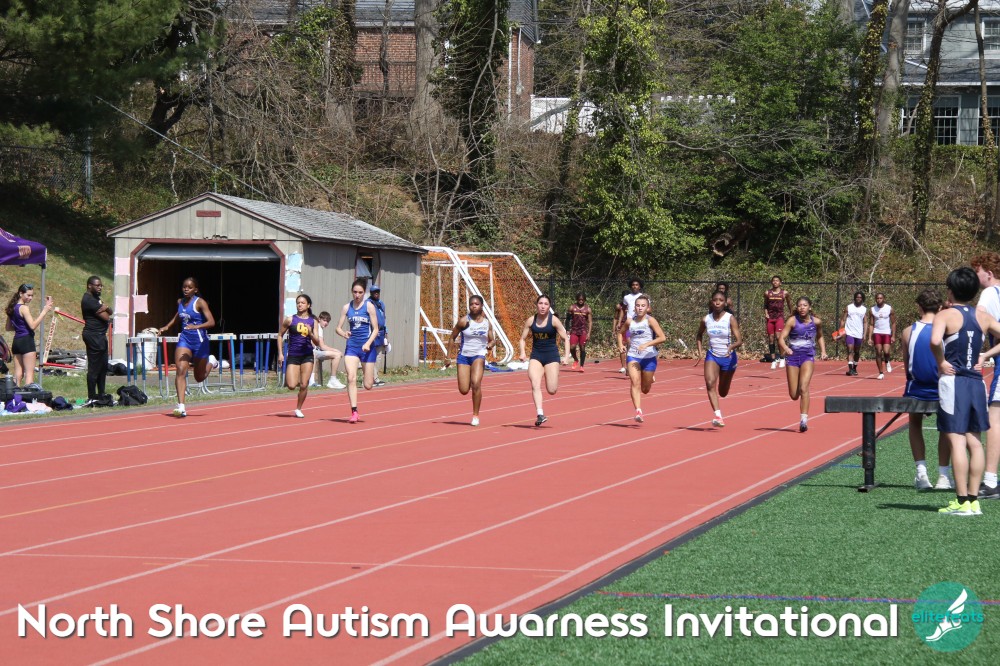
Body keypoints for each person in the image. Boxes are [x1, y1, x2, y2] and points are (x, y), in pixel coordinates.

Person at [931, 267, 1000, 516]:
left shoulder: (945, 315)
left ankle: (961, 501)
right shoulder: (983, 316)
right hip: (976, 383)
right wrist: (985, 354)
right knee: (975, 442)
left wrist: (941, 362)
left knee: (957, 439)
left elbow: (934, 341)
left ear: (950, 290)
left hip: (954, 382)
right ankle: (973, 501)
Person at [900, 288, 952, 490]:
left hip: (916, 388)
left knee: (914, 424)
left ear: (918, 307)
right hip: (942, 388)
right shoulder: (947, 330)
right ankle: (943, 476)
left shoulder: (908, 331)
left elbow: (907, 365)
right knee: (946, 428)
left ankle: (921, 473)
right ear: (940, 308)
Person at [157, 277, 216, 418]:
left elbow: (211, 322)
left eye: (189, 287)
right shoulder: (180, 302)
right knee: (180, 370)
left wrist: (196, 326)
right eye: (184, 287)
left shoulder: (200, 302)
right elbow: (179, 315)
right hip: (185, 340)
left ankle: (212, 362)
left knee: (199, 377)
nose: (186, 289)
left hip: (200, 342)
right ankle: (181, 406)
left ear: (195, 289)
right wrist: (167, 326)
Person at [277, 295, 341, 418]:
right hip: (294, 355)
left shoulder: (313, 321)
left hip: (307, 355)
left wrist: (310, 333)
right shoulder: (290, 320)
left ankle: (298, 408)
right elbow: (280, 335)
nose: (299, 305)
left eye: (302, 303)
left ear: (308, 305)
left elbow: (317, 342)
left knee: (304, 384)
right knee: (291, 385)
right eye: (298, 303)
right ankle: (297, 379)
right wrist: (280, 353)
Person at [972, 252, 1000, 500]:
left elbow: (978, 321)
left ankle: (990, 480)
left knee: (995, 419)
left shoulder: (990, 293)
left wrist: (981, 354)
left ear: (989, 274)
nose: (975, 276)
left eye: (977, 271)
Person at [518, 294, 571, 426]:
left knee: (552, 390)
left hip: (551, 356)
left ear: (549, 307)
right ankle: (540, 414)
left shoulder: (554, 321)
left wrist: (566, 357)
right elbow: (522, 339)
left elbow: (566, 338)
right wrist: (522, 353)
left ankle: (550, 373)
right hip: (536, 355)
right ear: (537, 305)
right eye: (540, 303)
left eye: (546, 304)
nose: (542, 306)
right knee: (535, 384)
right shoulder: (531, 320)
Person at [444, 294, 496, 426]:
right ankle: (468, 386)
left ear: (481, 306)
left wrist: (490, 345)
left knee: (476, 383)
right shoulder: (464, 321)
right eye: (471, 304)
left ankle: (475, 415)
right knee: (464, 390)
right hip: (464, 357)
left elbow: (492, 339)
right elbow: (452, 337)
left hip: (479, 355)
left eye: (476, 304)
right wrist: (448, 356)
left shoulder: (486, 323)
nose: (474, 306)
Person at [778, 296, 828, 432]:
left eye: (805, 305)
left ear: (809, 307)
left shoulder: (816, 322)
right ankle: (800, 399)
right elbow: (781, 338)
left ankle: (804, 420)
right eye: (799, 305)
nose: (802, 308)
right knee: (794, 395)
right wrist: (786, 348)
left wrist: (823, 351)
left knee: (804, 387)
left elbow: (820, 336)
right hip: (793, 358)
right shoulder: (792, 321)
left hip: (808, 356)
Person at [336, 278, 381, 423]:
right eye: (355, 292)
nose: (357, 295)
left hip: (367, 348)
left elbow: (376, 329)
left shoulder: (369, 307)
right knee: (351, 378)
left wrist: (368, 343)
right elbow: (338, 328)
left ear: (364, 293)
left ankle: (367, 374)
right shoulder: (346, 308)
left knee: (368, 385)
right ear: (351, 292)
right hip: (352, 347)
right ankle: (354, 412)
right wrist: (344, 333)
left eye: (360, 292)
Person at [697, 290, 743, 427]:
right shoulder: (706, 319)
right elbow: (699, 335)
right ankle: (718, 416)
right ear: (711, 302)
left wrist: (732, 346)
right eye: (715, 300)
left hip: (728, 357)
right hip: (712, 355)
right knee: (710, 383)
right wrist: (700, 352)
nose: (717, 302)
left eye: (721, 300)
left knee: (723, 392)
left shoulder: (730, 318)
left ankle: (727, 380)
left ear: (725, 303)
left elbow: (739, 340)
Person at [617, 295, 665, 423]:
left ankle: (650, 379)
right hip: (633, 356)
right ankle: (638, 411)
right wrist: (621, 345)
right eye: (638, 305)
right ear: (634, 307)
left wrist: (647, 344)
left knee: (645, 389)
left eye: (643, 306)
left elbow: (662, 337)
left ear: (647, 308)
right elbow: (620, 333)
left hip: (649, 357)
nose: (640, 308)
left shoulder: (651, 321)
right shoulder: (629, 321)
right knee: (634, 382)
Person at [4, 283, 53, 387]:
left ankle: (13, 395)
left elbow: (8, 328)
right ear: (20, 293)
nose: (30, 298)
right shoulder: (24, 308)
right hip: (26, 341)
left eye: (32, 295)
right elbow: (32, 326)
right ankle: (28, 396)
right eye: (28, 295)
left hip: (16, 342)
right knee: (29, 375)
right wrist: (44, 311)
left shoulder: (12, 307)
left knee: (18, 375)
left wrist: (20, 327)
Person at [81, 276, 112, 401]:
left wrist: (107, 308)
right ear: (89, 285)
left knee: (103, 366)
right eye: (97, 285)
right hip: (93, 335)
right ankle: (92, 396)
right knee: (94, 367)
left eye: (101, 285)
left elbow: (110, 311)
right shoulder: (88, 300)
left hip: (100, 335)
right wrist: (106, 309)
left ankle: (101, 394)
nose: (100, 288)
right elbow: (106, 317)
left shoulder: (96, 298)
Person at [309, 311, 346, 389]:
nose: (326, 323)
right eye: (324, 320)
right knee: (337, 355)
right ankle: (331, 380)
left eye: (328, 321)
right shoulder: (318, 327)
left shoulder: (320, 328)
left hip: (316, 351)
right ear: (319, 319)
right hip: (312, 352)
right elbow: (322, 347)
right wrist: (336, 350)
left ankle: (332, 379)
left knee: (336, 355)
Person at [764, 276, 792, 369]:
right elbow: (765, 305)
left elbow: (789, 304)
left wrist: (792, 314)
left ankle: (782, 357)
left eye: (777, 281)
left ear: (780, 282)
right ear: (771, 282)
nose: (775, 282)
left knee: (778, 336)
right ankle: (773, 360)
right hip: (770, 318)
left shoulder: (784, 293)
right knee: (771, 338)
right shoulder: (767, 293)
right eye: (773, 281)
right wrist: (766, 313)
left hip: (779, 317)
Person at [866, 292, 896, 380]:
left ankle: (887, 361)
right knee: (878, 352)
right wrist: (869, 337)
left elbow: (893, 323)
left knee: (886, 351)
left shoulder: (889, 308)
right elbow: (871, 324)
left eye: (881, 298)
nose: (879, 300)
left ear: (884, 299)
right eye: (877, 298)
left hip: (886, 332)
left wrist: (893, 335)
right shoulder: (872, 310)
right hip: (877, 332)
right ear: (875, 299)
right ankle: (881, 373)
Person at [618, 278, 645, 374]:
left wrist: (639, 310)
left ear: (640, 286)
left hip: (640, 324)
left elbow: (649, 309)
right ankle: (628, 368)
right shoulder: (627, 297)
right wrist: (619, 322)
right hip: (630, 325)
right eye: (633, 285)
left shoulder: (643, 297)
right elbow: (623, 309)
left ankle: (640, 366)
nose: (635, 286)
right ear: (630, 286)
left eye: (637, 285)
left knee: (639, 345)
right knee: (629, 344)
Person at [367, 284, 388, 387]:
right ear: (371, 293)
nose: (376, 294)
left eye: (378, 292)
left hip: (381, 333)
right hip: (373, 332)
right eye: (374, 292)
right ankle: (371, 378)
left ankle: (375, 377)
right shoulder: (368, 303)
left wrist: (386, 332)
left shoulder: (381, 304)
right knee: (372, 355)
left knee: (379, 356)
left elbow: (384, 318)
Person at [842, 291, 867, 377]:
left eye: (860, 297)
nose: (858, 299)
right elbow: (843, 320)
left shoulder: (864, 309)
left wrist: (864, 334)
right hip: (849, 332)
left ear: (862, 299)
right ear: (854, 298)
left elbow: (865, 322)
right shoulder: (849, 307)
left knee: (856, 351)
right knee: (850, 350)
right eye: (857, 297)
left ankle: (854, 368)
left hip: (859, 333)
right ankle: (850, 369)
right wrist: (841, 331)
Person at [566, 292, 592, 371]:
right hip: (574, 330)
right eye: (579, 299)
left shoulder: (588, 309)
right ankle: (576, 359)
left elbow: (590, 322)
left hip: (583, 330)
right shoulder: (572, 307)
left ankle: (581, 366)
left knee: (582, 347)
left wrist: (589, 333)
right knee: (572, 347)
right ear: (577, 299)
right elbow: (567, 319)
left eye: (582, 299)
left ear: (584, 300)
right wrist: (567, 329)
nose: (581, 301)